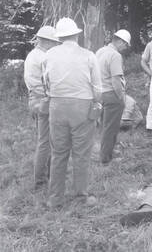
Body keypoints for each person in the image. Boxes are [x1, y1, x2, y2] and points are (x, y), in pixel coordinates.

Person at [43, 17, 102, 208]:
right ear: (77, 34)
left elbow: (46, 84)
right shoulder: (89, 55)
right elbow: (98, 88)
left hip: (57, 106)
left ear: (59, 37)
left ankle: (55, 198)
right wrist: (96, 104)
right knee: (81, 154)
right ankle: (80, 197)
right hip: (82, 106)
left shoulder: (48, 55)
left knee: (58, 153)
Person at [24, 26, 59, 189]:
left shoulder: (33, 55)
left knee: (47, 140)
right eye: (53, 42)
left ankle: (50, 176)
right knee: (45, 142)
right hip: (43, 100)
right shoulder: (43, 58)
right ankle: (40, 182)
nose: (55, 45)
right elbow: (47, 83)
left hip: (35, 99)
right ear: (46, 41)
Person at [96, 29, 131, 164]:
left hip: (100, 93)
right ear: (120, 41)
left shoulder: (100, 51)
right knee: (111, 128)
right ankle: (105, 159)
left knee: (105, 126)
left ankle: (107, 151)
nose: (125, 48)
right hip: (112, 94)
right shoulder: (115, 55)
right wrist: (121, 97)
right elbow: (116, 80)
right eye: (126, 45)